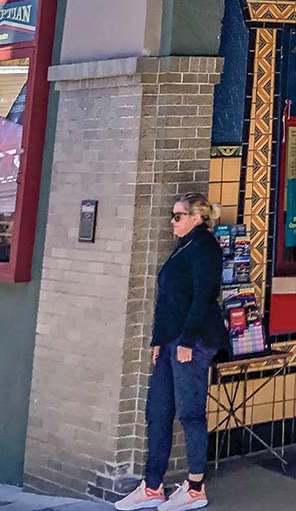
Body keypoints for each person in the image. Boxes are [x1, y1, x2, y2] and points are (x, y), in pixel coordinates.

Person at [116, 192, 229, 510]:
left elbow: (202, 297)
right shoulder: (184, 248)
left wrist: (186, 341)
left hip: (192, 341)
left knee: (190, 412)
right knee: (158, 411)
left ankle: (195, 488)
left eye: (178, 216)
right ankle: (152, 487)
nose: (172, 221)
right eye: (172, 215)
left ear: (197, 217)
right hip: (170, 341)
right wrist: (158, 340)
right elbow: (170, 301)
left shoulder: (205, 248)